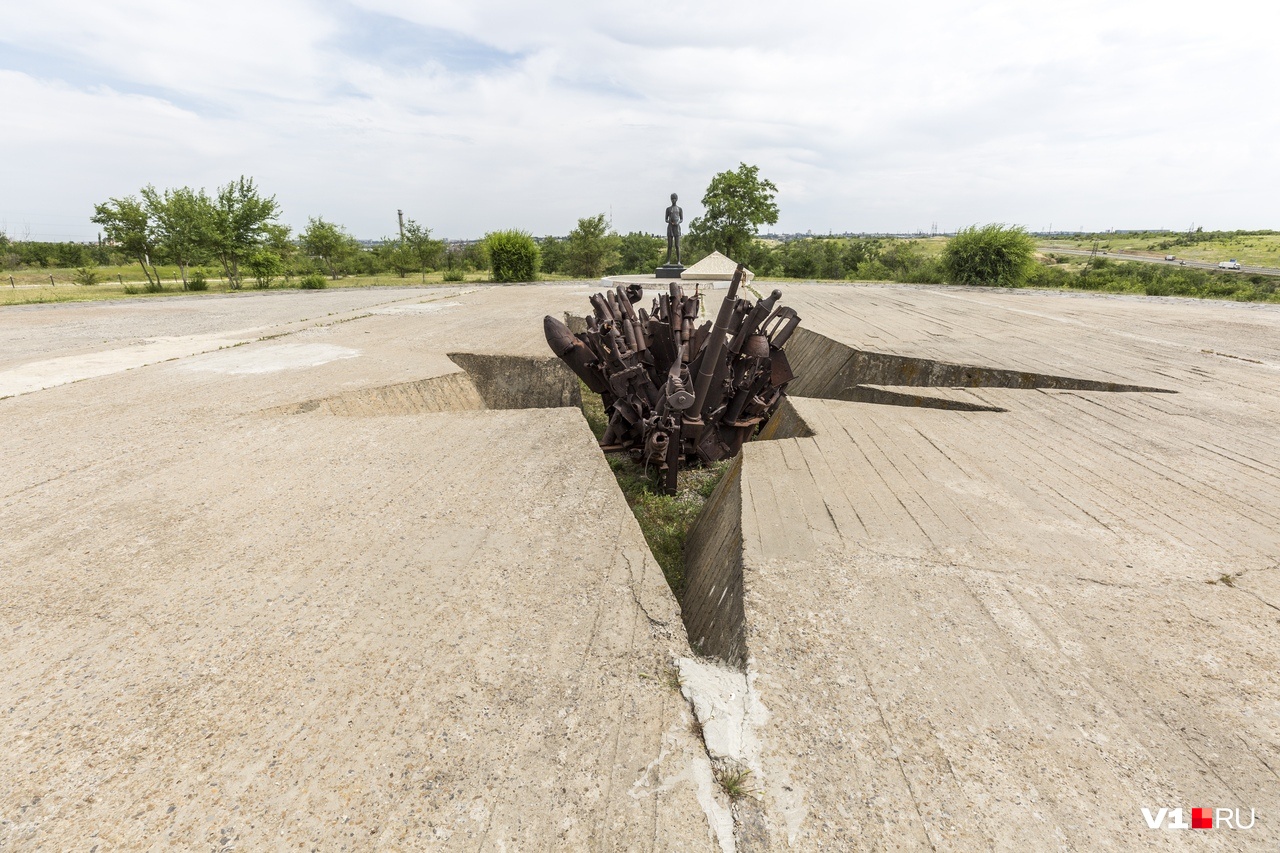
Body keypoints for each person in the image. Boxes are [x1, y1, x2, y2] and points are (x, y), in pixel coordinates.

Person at [665, 193, 683, 265]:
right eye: (672, 199)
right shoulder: (668, 209)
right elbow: (665, 219)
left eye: (674, 199)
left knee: (677, 245)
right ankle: (668, 261)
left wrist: (678, 222)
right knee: (669, 245)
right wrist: (670, 222)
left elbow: (681, 219)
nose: (673, 200)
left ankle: (679, 261)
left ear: (677, 199)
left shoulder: (679, 209)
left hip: (677, 228)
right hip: (670, 228)